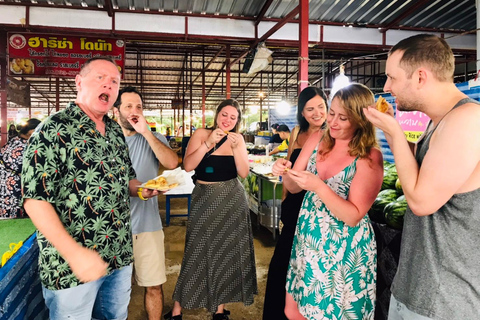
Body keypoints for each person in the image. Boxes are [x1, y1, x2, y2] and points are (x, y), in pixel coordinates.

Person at [21, 57, 158, 320]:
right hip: (71, 267)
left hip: (118, 255)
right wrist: (75, 255)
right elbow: (35, 200)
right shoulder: (53, 129)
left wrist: (143, 189)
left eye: (114, 81)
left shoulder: (116, 132)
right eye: (100, 77)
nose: (109, 84)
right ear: (79, 82)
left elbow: (127, 179)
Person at [364, 34, 480, 320]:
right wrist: (397, 135)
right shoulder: (437, 121)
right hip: (415, 288)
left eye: (392, 77)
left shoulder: (467, 120)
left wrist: (392, 133)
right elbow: (415, 179)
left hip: (445, 299)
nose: (387, 87)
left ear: (419, 76)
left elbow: (420, 202)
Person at [273, 83, 383, 320]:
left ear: (360, 119)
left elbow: (354, 216)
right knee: (293, 311)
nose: (332, 122)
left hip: (343, 250)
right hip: (308, 240)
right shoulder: (316, 138)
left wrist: (319, 187)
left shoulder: (369, 156)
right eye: (331, 113)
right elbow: (292, 187)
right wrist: (285, 171)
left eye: (342, 118)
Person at [166, 99, 257, 320]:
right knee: (195, 252)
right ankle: (178, 309)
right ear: (217, 115)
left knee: (225, 254)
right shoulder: (200, 134)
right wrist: (207, 143)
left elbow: (244, 173)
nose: (228, 120)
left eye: (233, 117)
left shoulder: (238, 140)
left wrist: (236, 148)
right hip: (204, 199)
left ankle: (219, 310)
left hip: (231, 200)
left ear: (238, 121)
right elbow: (188, 166)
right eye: (224, 115)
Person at [113, 86, 178, 320]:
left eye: (138, 107)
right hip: (111, 228)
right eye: (128, 106)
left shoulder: (153, 137)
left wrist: (147, 133)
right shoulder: (105, 139)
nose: (134, 111)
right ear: (115, 110)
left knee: (153, 285)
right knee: (114, 290)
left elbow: (171, 163)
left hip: (148, 225)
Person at [263, 87, 328, 320]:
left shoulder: (332, 132)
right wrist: (282, 169)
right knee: (282, 265)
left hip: (317, 205)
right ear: (302, 111)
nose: (316, 112)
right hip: (293, 206)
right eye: (310, 109)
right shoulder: (297, 131)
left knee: (306, 269)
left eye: (320, 106)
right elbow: (289, 167)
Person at [0, 118, 41, 219]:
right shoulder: (27, 146)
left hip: (6, 180)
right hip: (13, 183)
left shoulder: (14, 140)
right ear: (30, 131)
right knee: (14, 209)